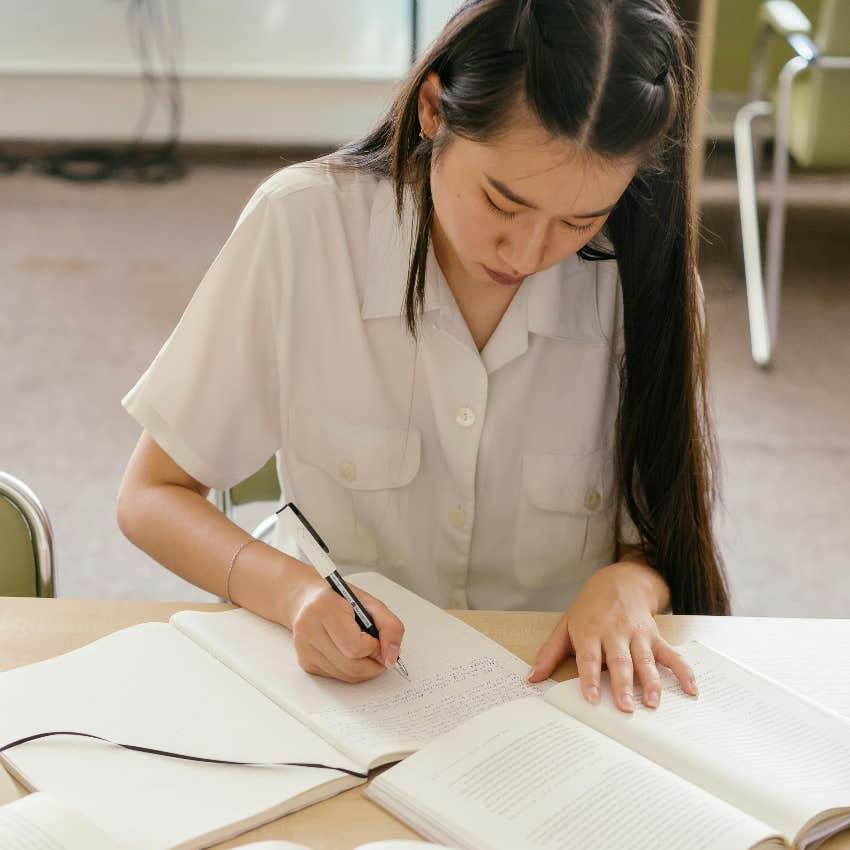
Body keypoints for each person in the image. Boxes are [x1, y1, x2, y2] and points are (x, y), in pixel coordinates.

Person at [117, 0, 731, 715]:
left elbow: (665, 532)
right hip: (350, 700)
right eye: (503, 204)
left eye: (579, 220)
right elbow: (151, 495)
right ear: (435, 109)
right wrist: (297, 595)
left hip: (560, 707)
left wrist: (631, 584)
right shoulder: (304, 228)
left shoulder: (645, 275)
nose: (529, 254)